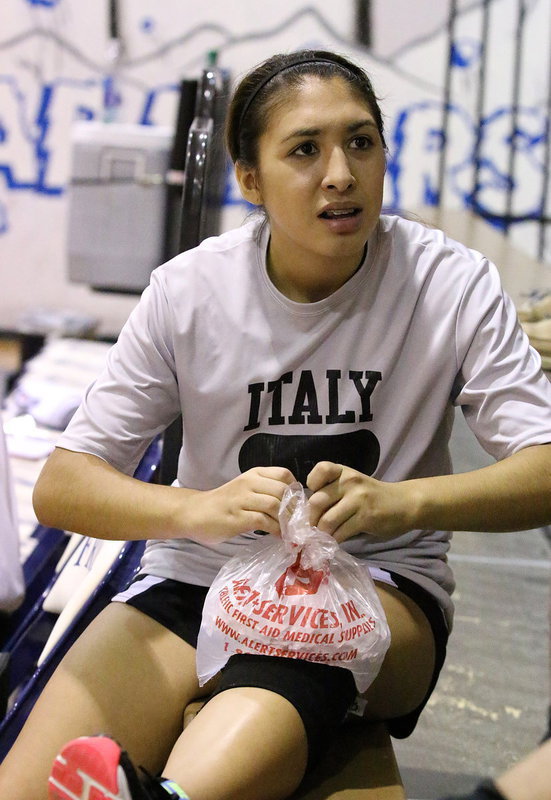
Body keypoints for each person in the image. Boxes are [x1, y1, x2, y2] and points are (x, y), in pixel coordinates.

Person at [0, 48, 550, 800]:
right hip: (196, 581)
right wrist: (192, 510)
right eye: (304, 150)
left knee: (292, 646)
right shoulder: (190, 291)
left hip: (379, 587)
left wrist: (405, 502)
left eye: (361, 142)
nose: (340, 173)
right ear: (249, 179)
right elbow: (63, 486)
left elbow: (544, 467)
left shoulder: (449, 281)